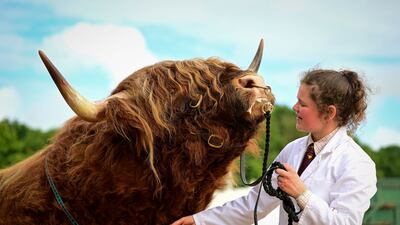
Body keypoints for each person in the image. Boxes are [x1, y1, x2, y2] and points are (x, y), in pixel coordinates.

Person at [171, 69, 377, 225]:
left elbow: (345, 222)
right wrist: (199, 220)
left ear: (329, 112)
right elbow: (254, 204)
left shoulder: (357, 164)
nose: (295, 107)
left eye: (302, 104)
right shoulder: (293, 150)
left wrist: (302, 195)